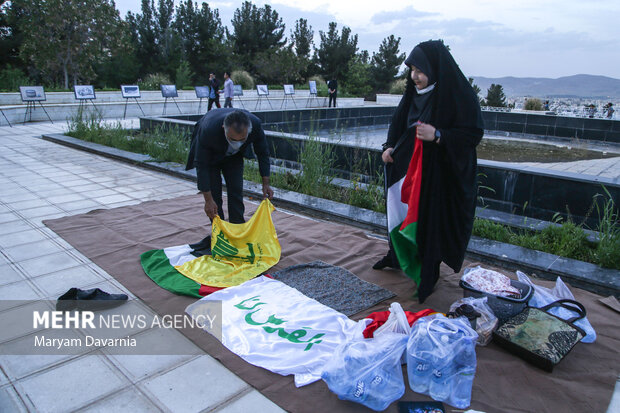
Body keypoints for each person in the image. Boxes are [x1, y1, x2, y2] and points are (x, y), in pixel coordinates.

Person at [372, 40, 484, 303]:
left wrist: (439, 135)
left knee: (429, 224)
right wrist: (389, 147)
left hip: (439, 179)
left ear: (434, 68)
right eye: (411, 70)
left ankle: (428, 274)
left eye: (420, 70)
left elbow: (473, 134)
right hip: (410, 171)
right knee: (400, 214)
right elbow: (398, 124)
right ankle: (398, 255)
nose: (415, 77)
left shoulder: (458, 94)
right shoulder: (413, 93)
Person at [185, 109, 273, 224]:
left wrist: (266, 183)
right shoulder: (208, 129)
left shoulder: (255, 124)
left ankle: (237, 225)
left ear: (249, 130)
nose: (237, 144)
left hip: (234, 157)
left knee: (236, 189)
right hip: (211, 156)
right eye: (232, 139)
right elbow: (202, 165)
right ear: (223, 128)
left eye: (242, 140)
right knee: (214, 196)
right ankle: (218, 229)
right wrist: (208, 200)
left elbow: (263, 153)